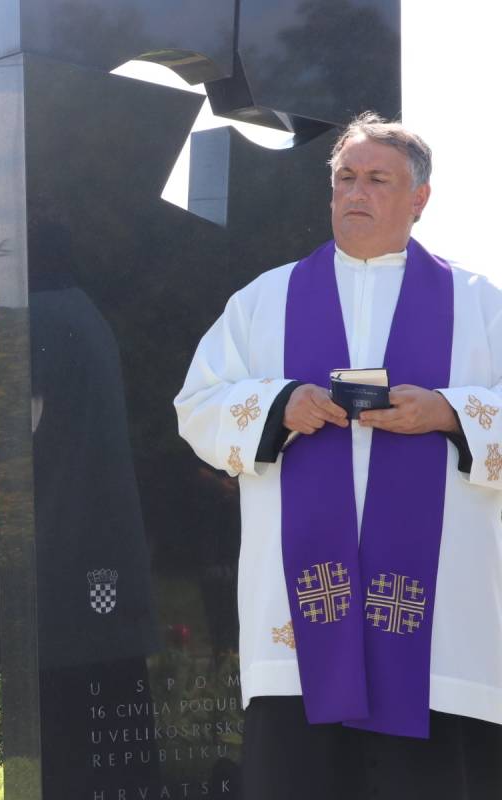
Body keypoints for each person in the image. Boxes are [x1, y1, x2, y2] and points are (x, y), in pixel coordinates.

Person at [175, 112, 502, 799]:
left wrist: (448, 412)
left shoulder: (481, 307)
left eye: (378, 179)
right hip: (297, 617)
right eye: (344, 178)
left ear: (420, 197)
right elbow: (197, 407)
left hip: (438, 622)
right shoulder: (266, 300)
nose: (356, 192)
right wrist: (278, 404)